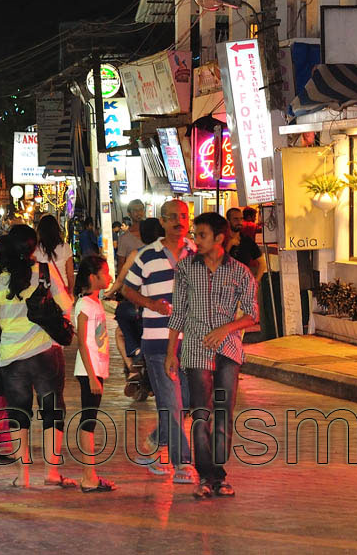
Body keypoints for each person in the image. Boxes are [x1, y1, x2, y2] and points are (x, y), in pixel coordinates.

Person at [166, 212, 258, 499]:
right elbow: (178, 312)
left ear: (220, 238)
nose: (195, 240)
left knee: (223, 413)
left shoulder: (240, 271)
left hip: (228, 350)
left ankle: (219, 475)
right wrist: (172, 351)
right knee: (201, 414)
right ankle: (206, 475)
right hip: (195, 350)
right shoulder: (184, 269)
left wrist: (226, 329)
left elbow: (253, 315)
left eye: (202, 235)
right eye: (195, 234)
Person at [0, 225, 77, 490]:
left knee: (18, 414)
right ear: (32, 248)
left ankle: (23, 475)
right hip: (46, 354)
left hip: (12, 358)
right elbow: (66, 305)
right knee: (52, 412)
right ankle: (51, 472)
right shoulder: (45, 273)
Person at [123, 200, 197, 483]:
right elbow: (128, 290)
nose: (179, 221)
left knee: (186, 402)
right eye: (173, 217)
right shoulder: (146, 255)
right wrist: (150, 304)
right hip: (156, 340)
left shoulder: (197, 253)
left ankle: (157, 440)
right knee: (172, 402)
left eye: (184, 216)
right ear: (163, 222)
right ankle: (182, 463)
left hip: (190, 342)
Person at [72, 255, 116, 492]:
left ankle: (90, 475)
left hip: (95, 369)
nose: (109, 276)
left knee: (90, 420)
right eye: (105, 272)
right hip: (88, 370)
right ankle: (88, 476)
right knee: (88, 422)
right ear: (92, 277)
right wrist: (91, 376)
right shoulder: (84, 305)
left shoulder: (94, 302)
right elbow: (82, 343)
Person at [109, 217, 163, 399]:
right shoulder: (172, 253)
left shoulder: (139, 254)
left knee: (119, 331)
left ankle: (132, 367)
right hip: (165, 310)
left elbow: (121, 283)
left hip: (141, 308)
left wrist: (108, 293)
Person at [35, 214, 75, 291]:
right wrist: (70, 292)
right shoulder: (65, 247)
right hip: (62, 291)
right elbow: (70, 275)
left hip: (44, 291)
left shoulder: (36, 250)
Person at [226, 208, 265, 285]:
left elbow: (262, 264)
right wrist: (229, 244)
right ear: (228, 221)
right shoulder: (221, 240)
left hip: (242, 286)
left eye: (241, 219)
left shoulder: (247, 240)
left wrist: (255, 283)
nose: (239, 222)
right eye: (235, 219)